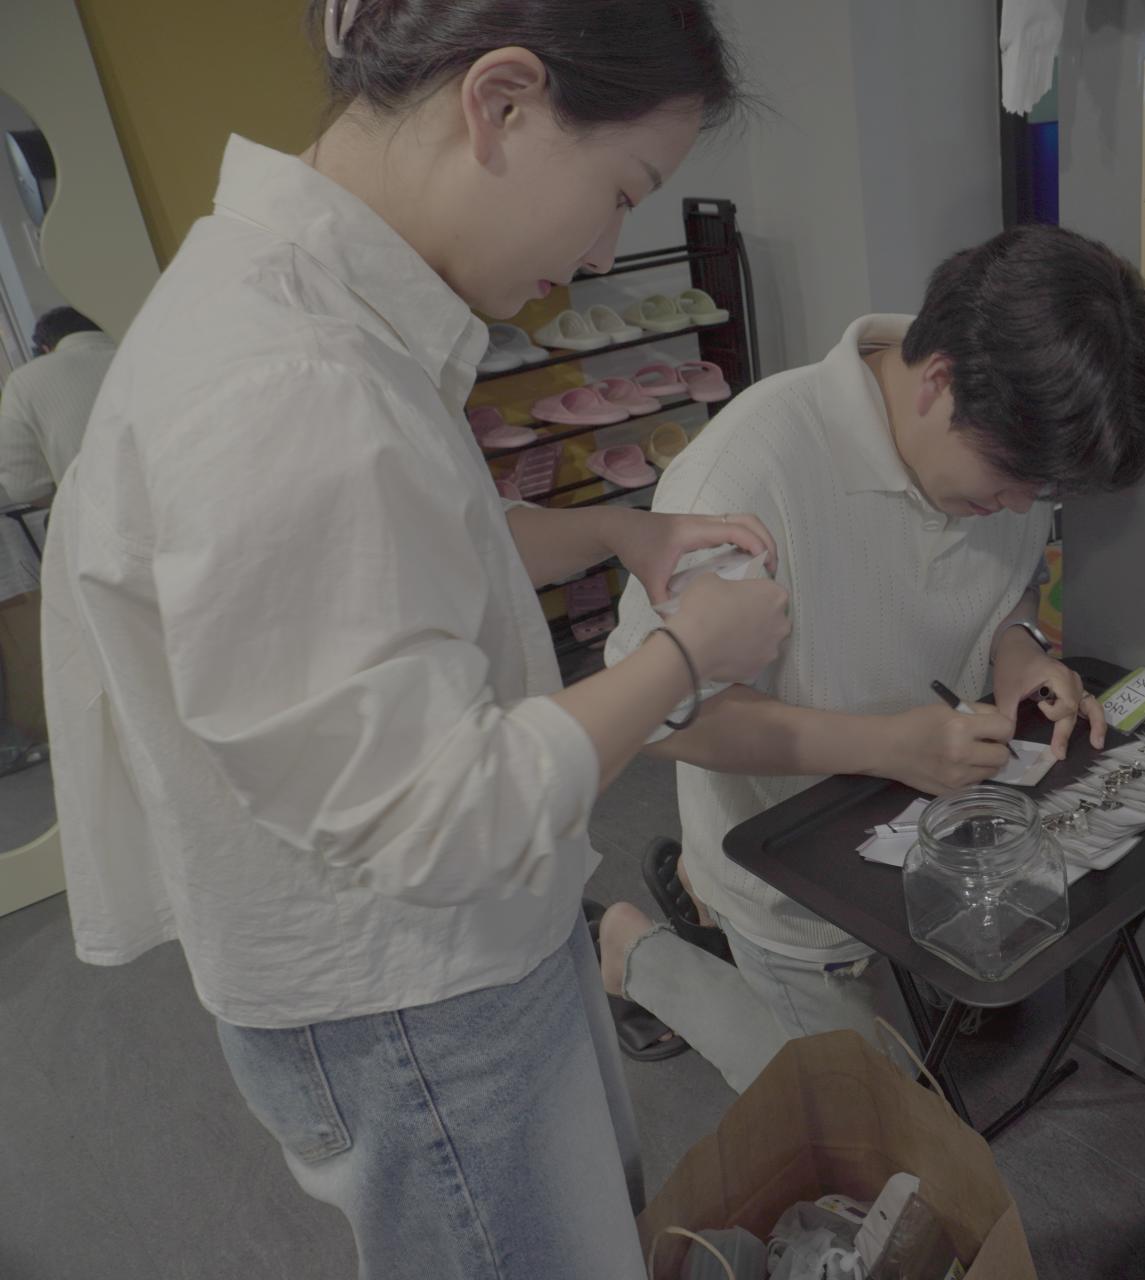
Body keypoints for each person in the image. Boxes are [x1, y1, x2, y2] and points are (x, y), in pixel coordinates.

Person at [38, 1, 791, 1274]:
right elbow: (441, 814)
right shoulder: (290, 380)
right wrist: (685, 655)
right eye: (619, 192)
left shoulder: (310, 306)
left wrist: (620, 530)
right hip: (411, 987)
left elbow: (419, 551)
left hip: (444, 951)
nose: (605, 251)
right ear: (500, 102)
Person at [596, 224, 1145, 1064]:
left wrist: (1017, 646)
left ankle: (700, 893)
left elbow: (1006, 583)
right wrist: (887, 747)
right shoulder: (743, 478)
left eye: (1043, 490)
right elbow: (655, 718)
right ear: (938, 383)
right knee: (854, 1122)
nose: (1021, 507)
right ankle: (639, 955)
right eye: (1009, 478)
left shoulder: (1004, 431)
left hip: (929, 836)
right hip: (786, 872)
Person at [0, 307, 116, 505]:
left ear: (46, 348)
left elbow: (25, 488)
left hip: (97, 512)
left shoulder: (22, 382)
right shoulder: (146, 357)